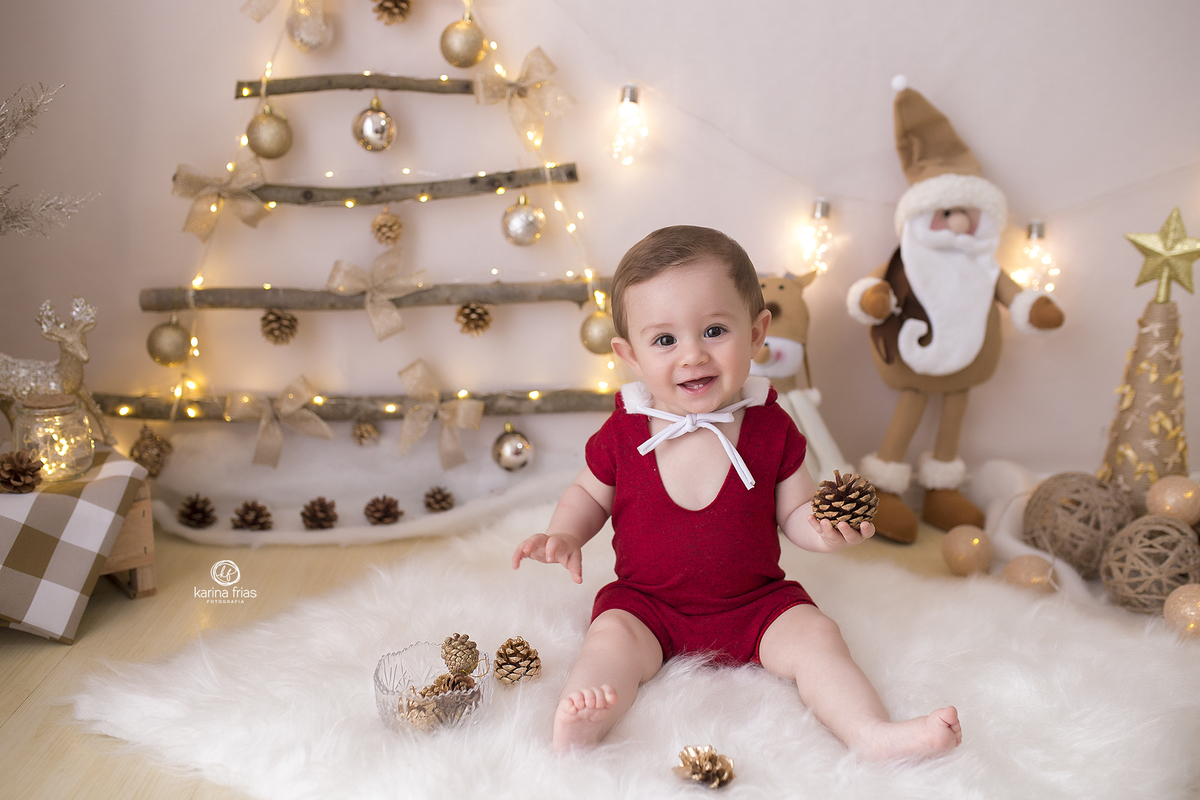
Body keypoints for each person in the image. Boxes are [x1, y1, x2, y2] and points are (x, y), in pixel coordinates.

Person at [512, 225, 963, 759]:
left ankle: (869, 731)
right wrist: (565, 533)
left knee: (817, 636)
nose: (693, 356)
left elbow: (796, 510)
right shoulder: (625, 432)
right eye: (664, 340)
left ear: (756, 333)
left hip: (756, 604)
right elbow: (588, 495)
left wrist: (826, 535)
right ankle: (585, 720)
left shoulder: (772, 428)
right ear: (629, 354)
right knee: (609, 639)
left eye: (715, 331)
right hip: (648, 606)